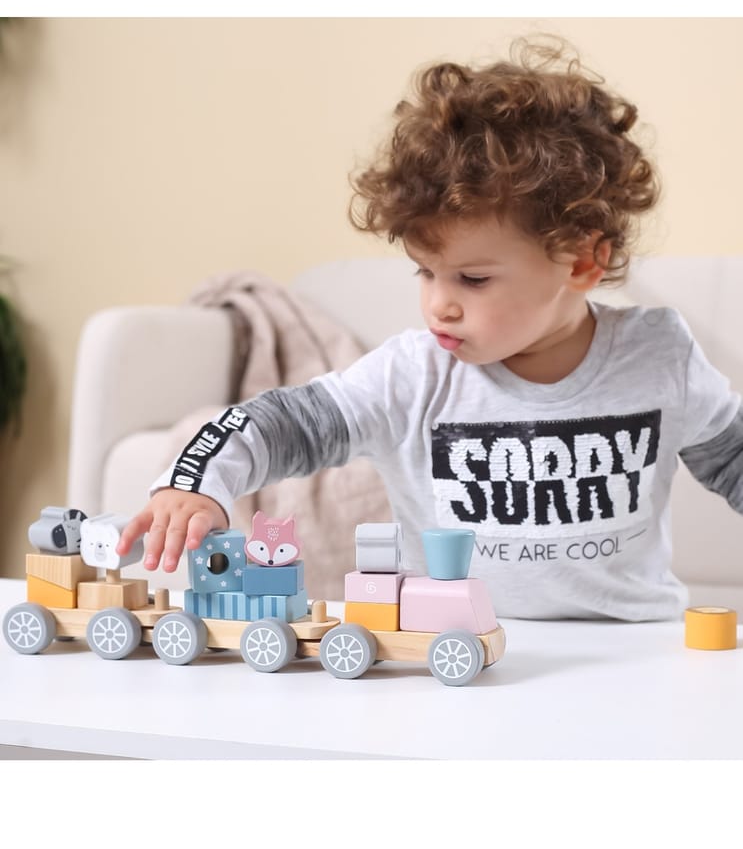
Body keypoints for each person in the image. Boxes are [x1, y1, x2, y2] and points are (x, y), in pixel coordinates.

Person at [116, 36, 743, 621]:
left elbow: (735, 459)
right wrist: (193, 485)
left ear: (581, 261)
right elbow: (278, 425)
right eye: (425, 272)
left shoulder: (657, 355)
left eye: (473, 279)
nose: (439, 305)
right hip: (457, 646)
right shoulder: (412, 375)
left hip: (631, 656)